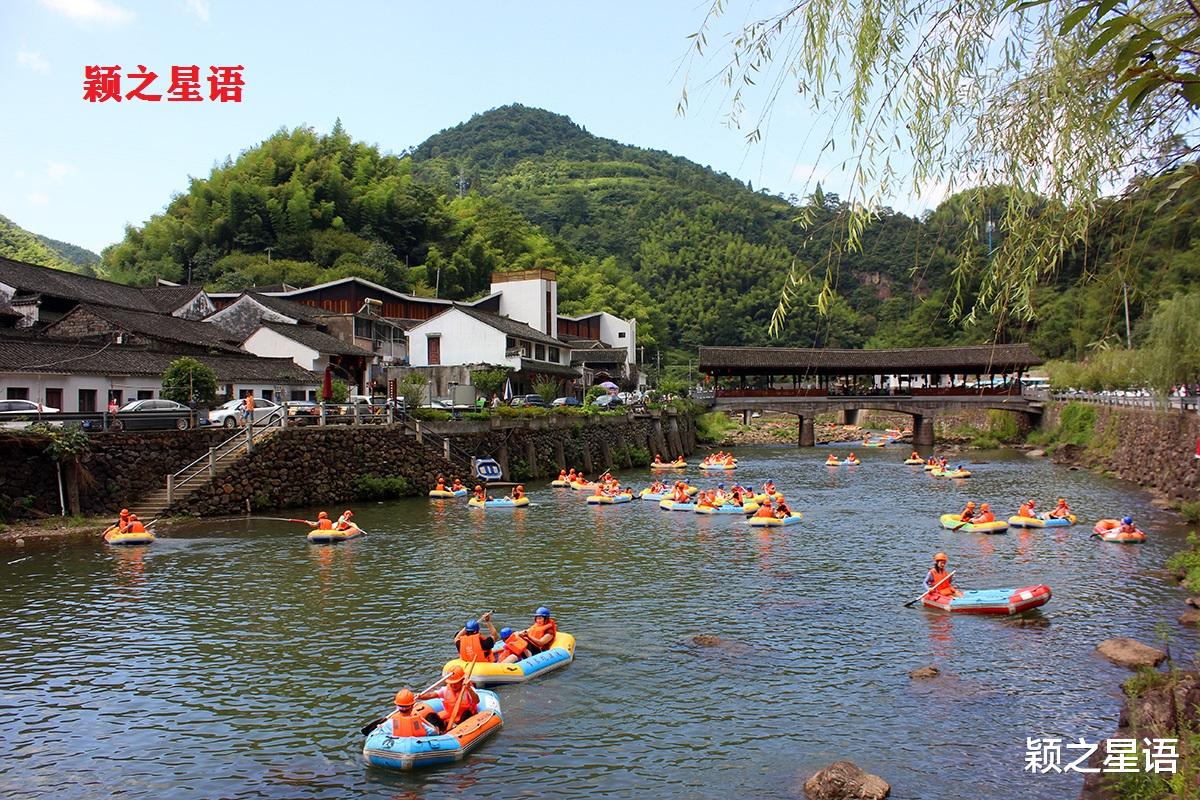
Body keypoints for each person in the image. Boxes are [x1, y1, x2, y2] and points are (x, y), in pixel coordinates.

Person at [420, 666, 478, 732]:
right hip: (451, 716)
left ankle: (456, 728)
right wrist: (421, 696)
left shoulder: (468, 689)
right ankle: (438, 730)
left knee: (467, 713)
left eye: (456, 683)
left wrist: (469, 689)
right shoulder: (445, 690)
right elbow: (431, 695)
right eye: (451, 684)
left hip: (464, 716)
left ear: (462, 680)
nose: (453, 686)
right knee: (430, 716)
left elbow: (476, 701)